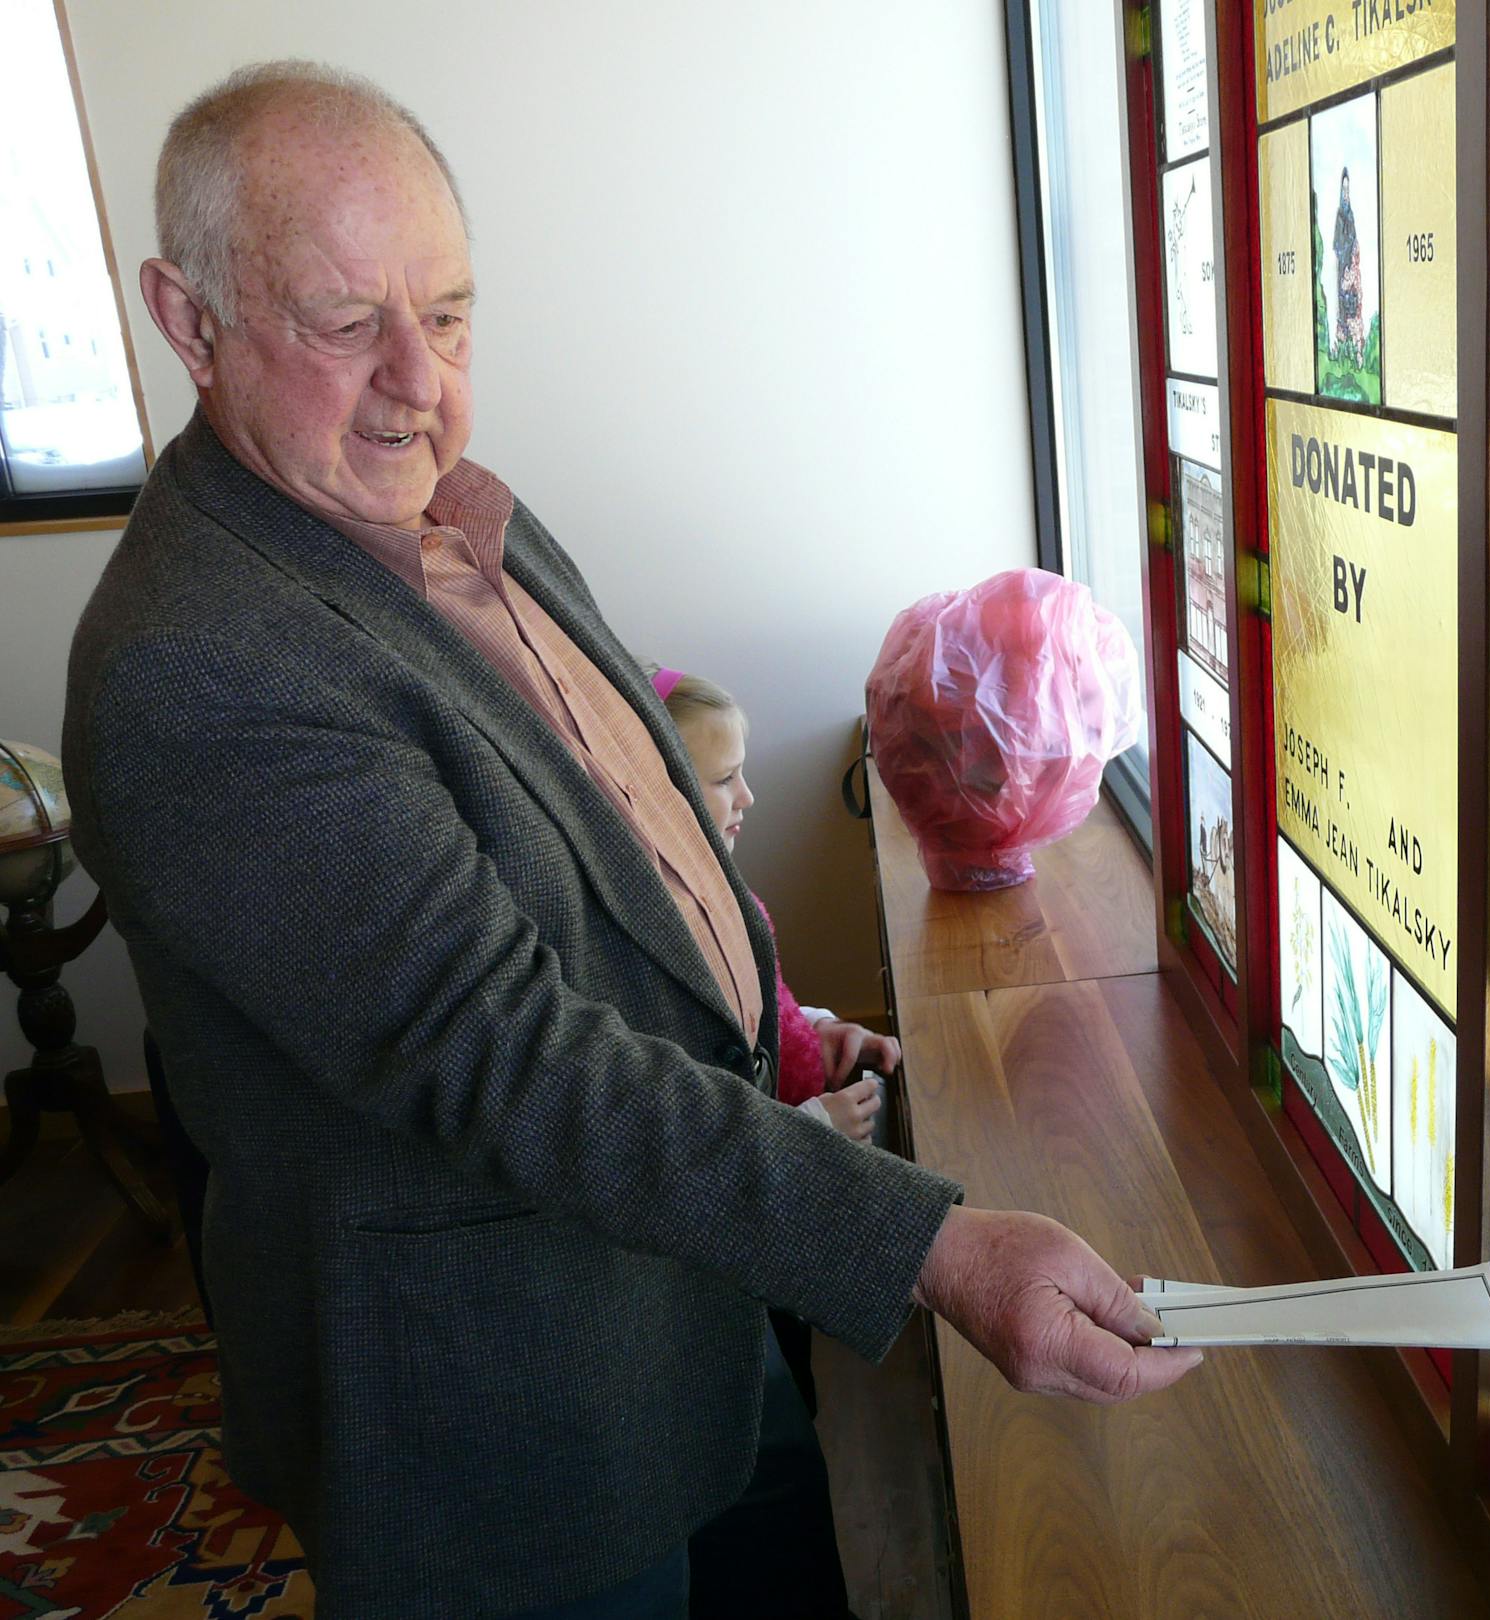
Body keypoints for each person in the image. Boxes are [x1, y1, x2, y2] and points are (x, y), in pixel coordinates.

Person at [63, 61, 1199, 1620]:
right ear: (185, 321)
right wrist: (932, 1250)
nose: (420, 382)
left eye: (449, 313)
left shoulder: (455, 512)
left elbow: (626, 845)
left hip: (684, 1292)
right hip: (500, 1430)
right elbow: (508, 1056)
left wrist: (778, 1034)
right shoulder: (197, 668)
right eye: (345, 324)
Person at [649, 666, 885, 1144]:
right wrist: (814, 1128)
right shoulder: (668, 938)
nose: (748, 796)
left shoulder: (712, 882)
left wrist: (819, 1029)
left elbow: (764, 1002)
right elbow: (703, 1117)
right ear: (658, 795)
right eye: (724, 779)